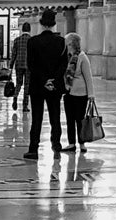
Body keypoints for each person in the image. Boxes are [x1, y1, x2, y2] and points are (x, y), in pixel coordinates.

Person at [23, 9, 67, 159]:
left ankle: (33, 148)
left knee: (37, 117)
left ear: (41, 24)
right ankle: (56, 145)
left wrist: (43, 81)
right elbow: (63, 65)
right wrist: (52, 80)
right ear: (54, 24)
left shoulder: (33, 42)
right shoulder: (61, 42)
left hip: (37, 85)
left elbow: (31, 65)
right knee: (55, 116)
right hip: (55, 86)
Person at [63, 30, 95, 151]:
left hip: (81, 93)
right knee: (69, 119)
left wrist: (91, 94)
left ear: (72, 44)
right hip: (68, 92)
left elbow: (88, 77)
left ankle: (82, 143)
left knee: (80, 119)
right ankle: (71, 143)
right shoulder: (67, 57)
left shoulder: (82, 57)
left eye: (67, 43)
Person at [11, 22, 31, 115]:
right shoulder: (31, 40)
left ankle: (15, 96)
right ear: (29, 30)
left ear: (22, 29)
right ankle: (25, 106)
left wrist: (11, 65)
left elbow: (14, 54)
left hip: (18, 64)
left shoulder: (17, 40)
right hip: (28, 66)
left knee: (19, 83)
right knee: (27, 85)